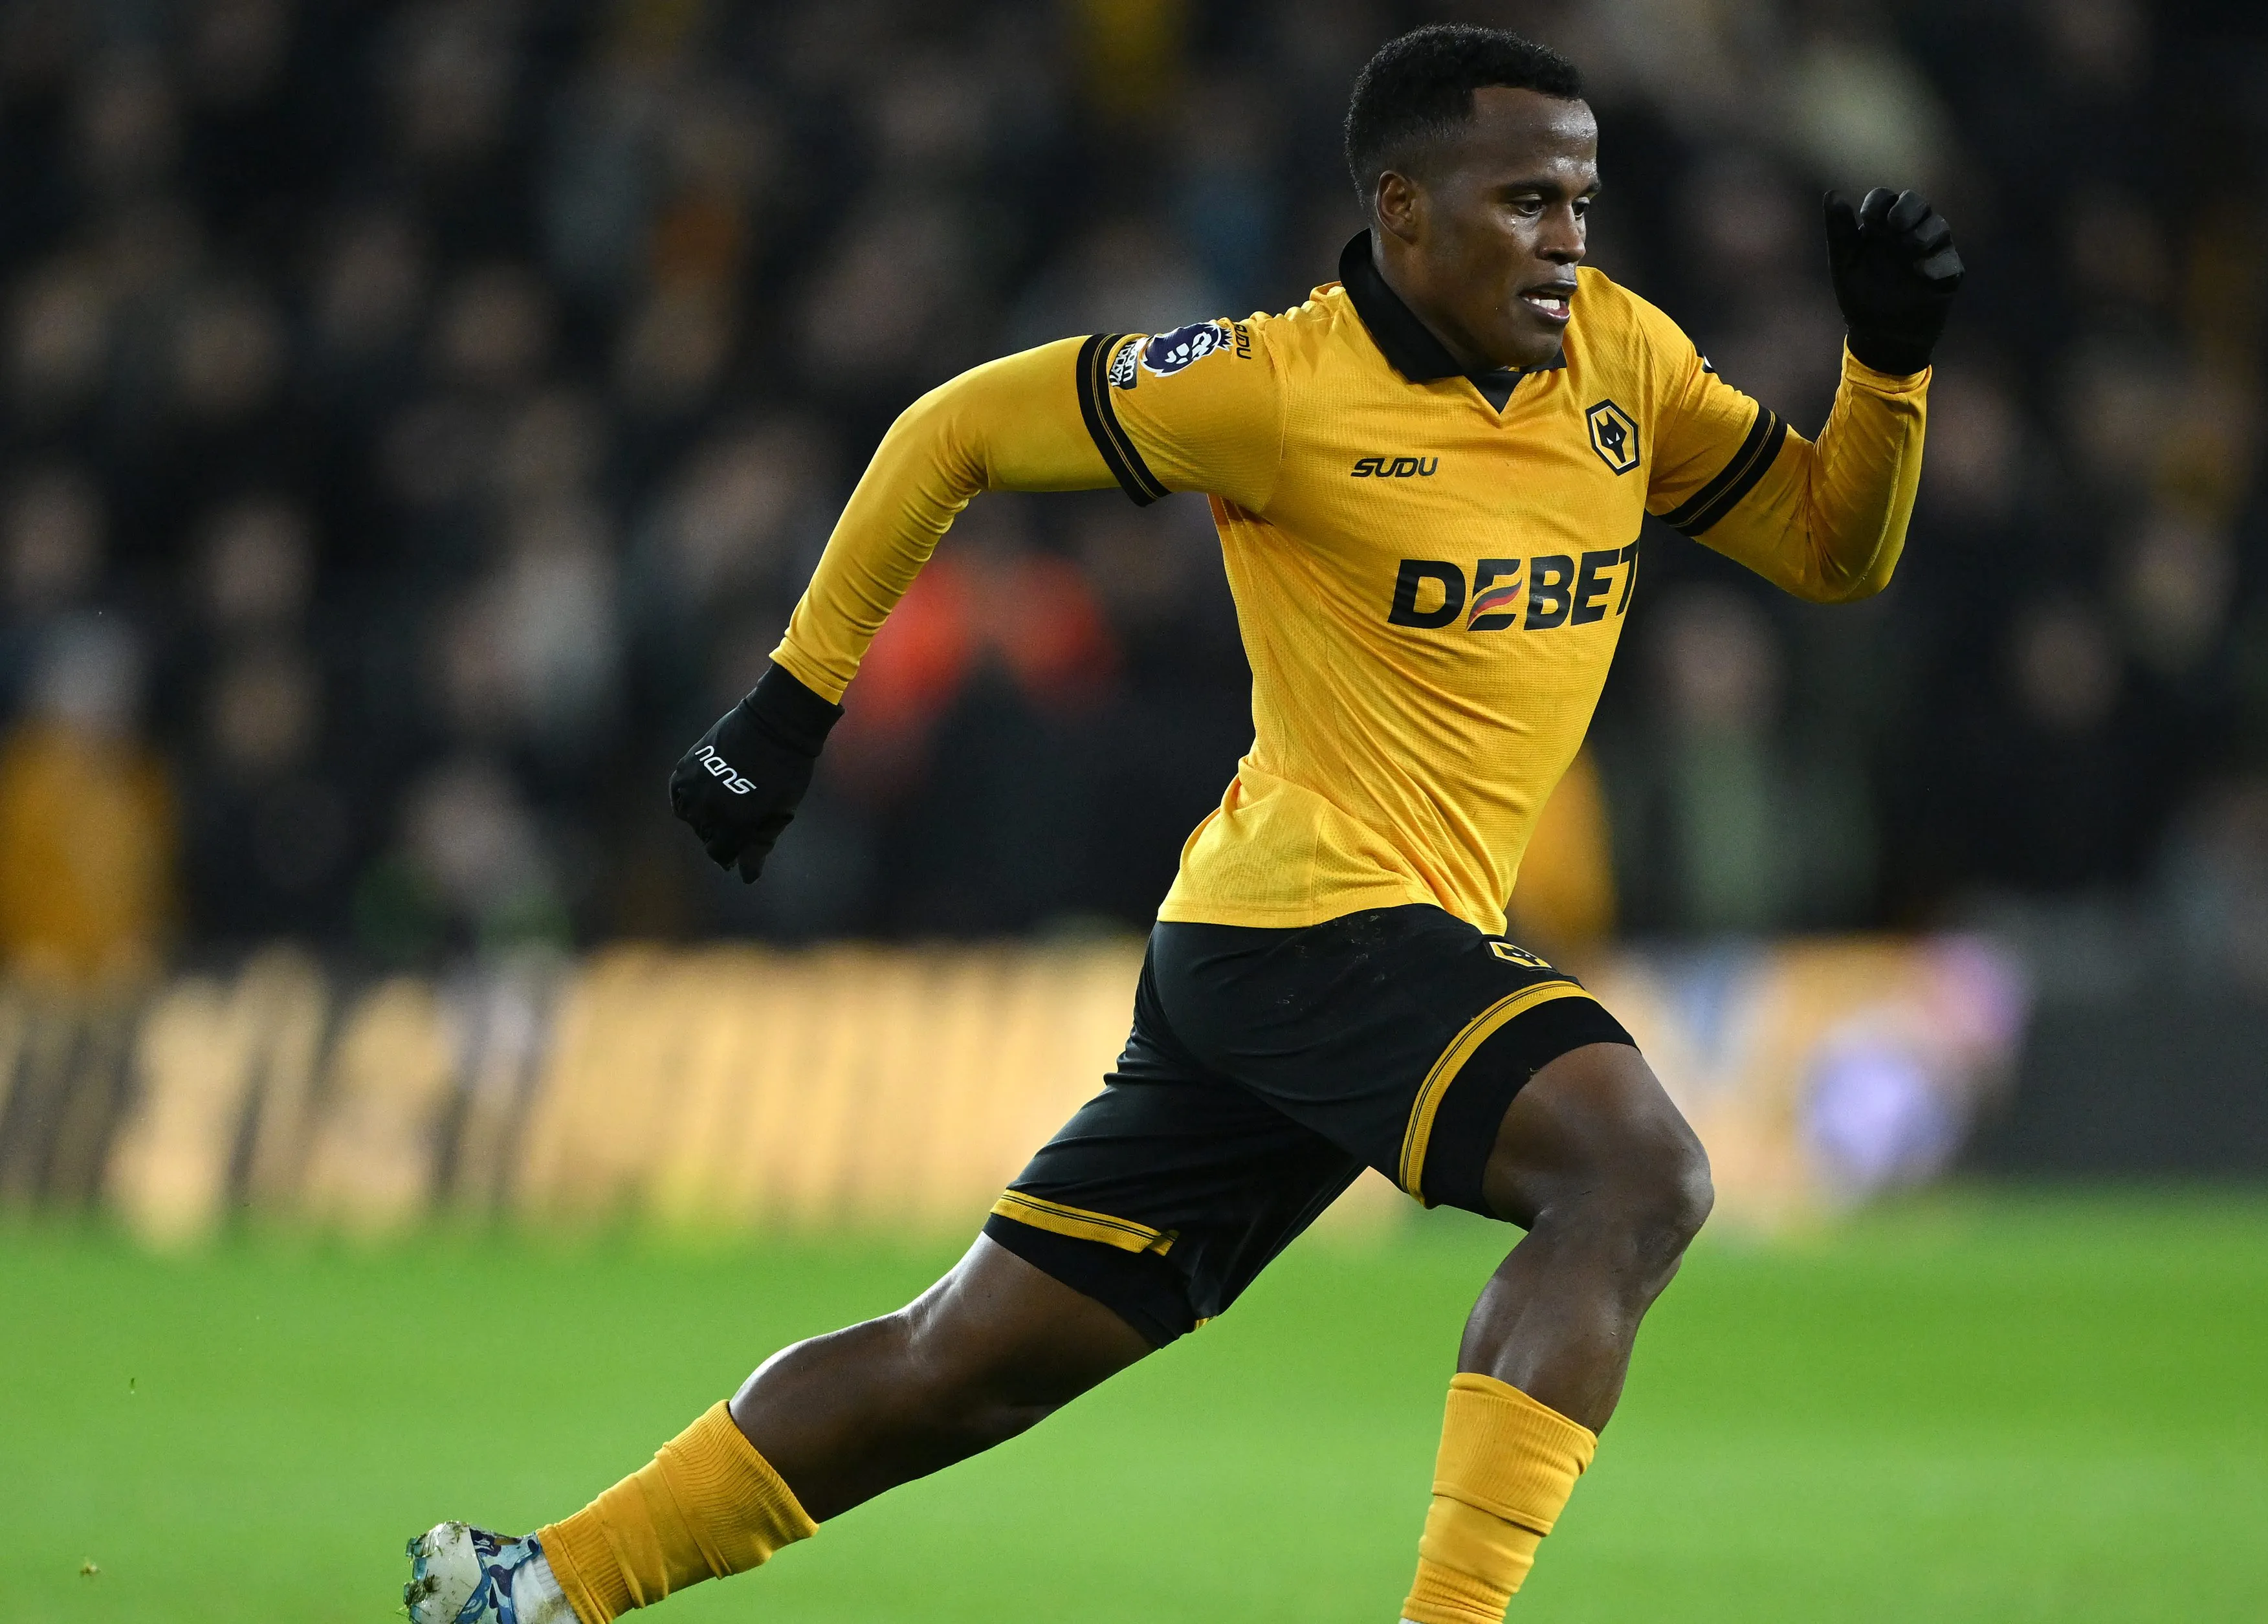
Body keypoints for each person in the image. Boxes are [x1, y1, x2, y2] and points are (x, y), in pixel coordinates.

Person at [405, 25, 1957, 1624]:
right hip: (1313, 920)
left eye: (1581, 198)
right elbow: (950, 432)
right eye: (1525, 201)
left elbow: (1835, 547)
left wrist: (1888, 372)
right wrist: (793, 704)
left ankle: (536, 1588)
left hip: (1314, 960)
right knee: (1639, 1177)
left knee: (964, 1365)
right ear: (1403, 211)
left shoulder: (1621, 361)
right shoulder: (1270, 389)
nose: (1568, 238)